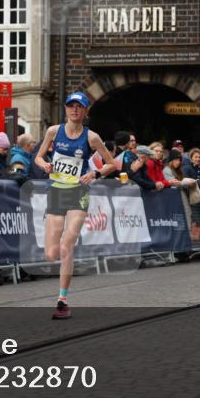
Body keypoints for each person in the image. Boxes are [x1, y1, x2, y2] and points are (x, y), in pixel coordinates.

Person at [35, 92, 119, 320]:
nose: (74, 110)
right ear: (65, 109)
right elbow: (38, 157)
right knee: (51, 252)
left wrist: (95, 172)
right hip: (56, 191)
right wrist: (45, 166)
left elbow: (113, 164)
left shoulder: (92, 138)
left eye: (79, 107)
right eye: (71, 106)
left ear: (85, 111)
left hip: (78, 193)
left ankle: (62, 300)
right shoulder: (53, 132)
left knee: (66, 245)